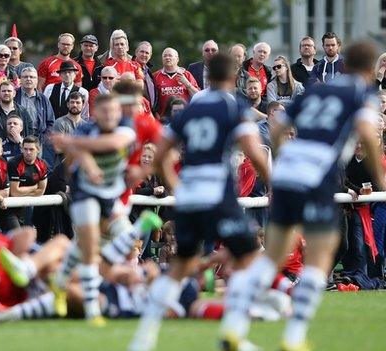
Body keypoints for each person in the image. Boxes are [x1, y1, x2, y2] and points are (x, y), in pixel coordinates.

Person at [219, 41, 386, 351]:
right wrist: (381, 178)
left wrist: (283, 159)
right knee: (320, 261)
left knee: (272, 257)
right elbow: (367, 132)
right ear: (369, 69)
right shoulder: (363, 94)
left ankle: (233, 328)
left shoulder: (317, 91)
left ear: (345, 65)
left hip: (288, 175)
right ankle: (293, 338)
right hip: (315, 176)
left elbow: (279, 124)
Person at [128, 53, 270, 351]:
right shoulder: (233, 106)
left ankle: (143, 339)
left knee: (181, 265)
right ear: (234, 78)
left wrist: (177, 186)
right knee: (249, 258)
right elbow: (255, 154)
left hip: (190, 195)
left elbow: (162, 153)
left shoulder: (187, 112)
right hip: (216, 193)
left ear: (207, 77)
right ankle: (233, 334)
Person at [50, 94, 136, 326]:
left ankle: (58, 282)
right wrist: (87, 165)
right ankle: (92, 310)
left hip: (111, 195)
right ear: (95, 114)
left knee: (128, 242)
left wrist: (71, 142)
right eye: (105, 112)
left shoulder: (126, 126)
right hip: (85, 193)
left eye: (113, 111)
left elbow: (114, 144)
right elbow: (78, 157)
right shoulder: (86, 131)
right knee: (89, 250)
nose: (110, 116)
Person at [14, 67, 55, 149]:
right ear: (20, 80)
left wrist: (43, 140)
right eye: (25, 77)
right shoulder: (14, 96)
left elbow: (51, 122)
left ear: (36, 80)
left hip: (38, 141)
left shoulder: (43, 99)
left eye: (32, 77)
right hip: (18, 139)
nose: (28, 79)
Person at [153, 47, 200, 116]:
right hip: (164, 119)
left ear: (177, 59)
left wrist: (186, 83)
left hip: (184, 117)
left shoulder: (186, 74)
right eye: (165, 56)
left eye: (170, 55)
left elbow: (198, 96)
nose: (167, 58)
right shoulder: (156, 76)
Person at [134, 41, 158, 113]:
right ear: (136, 52)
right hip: (137, 111)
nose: (144, 55)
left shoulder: (148, 71)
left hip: (150, 113)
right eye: (142, 52)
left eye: (147, 53)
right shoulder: (130, 67)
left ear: (150, 56)